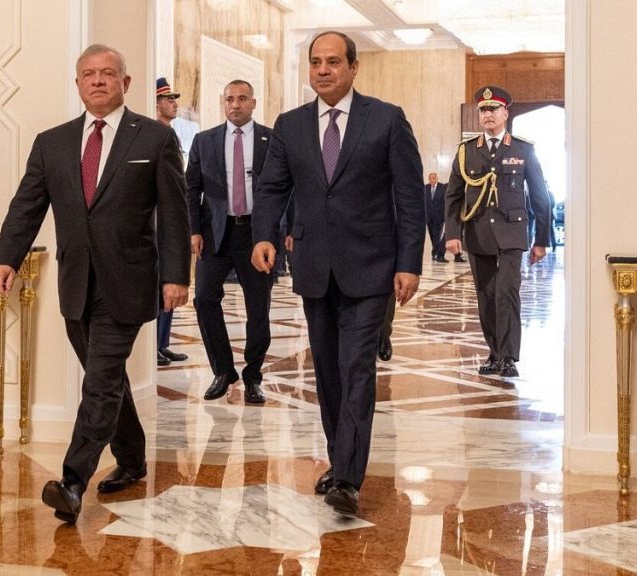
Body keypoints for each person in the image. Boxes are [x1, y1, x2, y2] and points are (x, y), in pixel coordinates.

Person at [0, 45, 190, 523]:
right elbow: (26, 206)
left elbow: (175, 213)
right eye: (88, 74)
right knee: (108, 377)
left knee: (99, 380)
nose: (97, 81)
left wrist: (176, 276)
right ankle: (133, 458)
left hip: (129, 279)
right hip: (76, 281)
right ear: (77, 83)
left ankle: (73, 482)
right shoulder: (52, 143)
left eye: (107, 73)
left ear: (126, 82)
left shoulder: (155, 138)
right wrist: (6, 258)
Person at [250, 31, 425, 517]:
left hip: (371, 267)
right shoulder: (290, 125)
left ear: (353, 67)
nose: (323, 70)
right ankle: (339, 458)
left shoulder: (386, 119)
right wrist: (264, 235)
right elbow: (271, 188)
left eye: (332, 62)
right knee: (327, 371)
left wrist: (409, 263)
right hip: (314, 266)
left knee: (356, 368)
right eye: (315, 62)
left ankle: (347, 477)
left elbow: (410, 198)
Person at [444, 85, 552, 379]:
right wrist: (452, 234)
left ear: (506, 113)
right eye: (483, 109)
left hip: (512, 234)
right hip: (478, 233)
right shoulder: (467, 151)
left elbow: (540, 197)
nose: (488, 114)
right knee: (487, 297)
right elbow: (453, 195)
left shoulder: (522, 149)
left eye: (493, 109)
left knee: (507, 293)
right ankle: (494, 354)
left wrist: (542, 240)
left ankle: (508, 357)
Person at [187, 79, 273, 405]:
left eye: (242, 99)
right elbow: (191, 188)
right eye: (229, 99)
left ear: (253, 103)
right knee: (204, 298)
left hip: (256, 235)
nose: (235, 104)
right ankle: (223, 370)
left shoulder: (270, 140)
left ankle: (253, 377)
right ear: (223, 103)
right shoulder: (204, 140)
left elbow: (283, 188)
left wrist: (281, 231)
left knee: (258, 307)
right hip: (215, 234)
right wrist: (194, 230)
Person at [153, 76, 190, 368]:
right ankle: (153, 345)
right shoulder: (154, 134)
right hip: (156, 222)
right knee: (158, 287)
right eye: (168, 99)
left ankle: (163, 343)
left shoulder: (171, 134)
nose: (174, 104)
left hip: (171, 217)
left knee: (170, 283)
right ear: (156, 103)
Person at [425, 172, 450, 263]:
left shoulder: (442, 187)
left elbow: (445, 201)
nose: (432, 180)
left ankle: (436, 253)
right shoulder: (425, 188)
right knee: (432, 236)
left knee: (436, 235)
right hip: (428, 217)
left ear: (437, 178)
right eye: (430, 178)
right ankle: (435, 253)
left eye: (433, 178)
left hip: (439, 217)